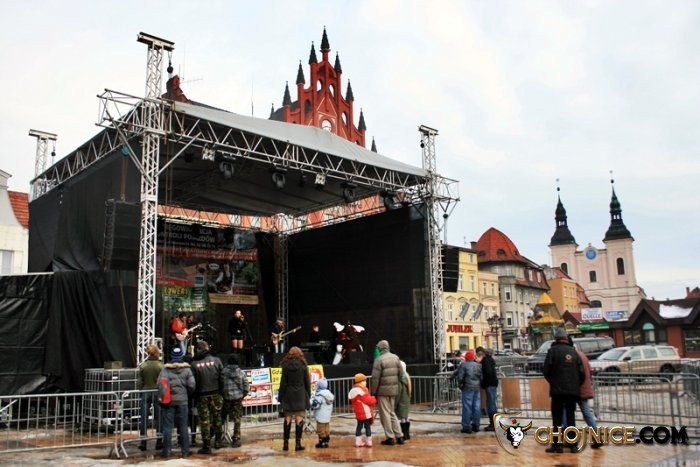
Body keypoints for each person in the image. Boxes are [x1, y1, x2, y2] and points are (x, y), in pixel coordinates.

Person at [542, 327, 585, 454]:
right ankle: (573, 445)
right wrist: (575, 384)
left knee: (557, 419)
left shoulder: (552, 351)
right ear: (566, 338)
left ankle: (557, 445)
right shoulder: (574, 352)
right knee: (571, 418)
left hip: (557, 391)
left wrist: (553, 381)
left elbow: (546, 370)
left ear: (556, 338)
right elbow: (582, 373)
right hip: (572, 391)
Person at [563, 336, 602, 449]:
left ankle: (569, 438)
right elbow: (589, 371)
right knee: (587, 413)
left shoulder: (571, 356)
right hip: (584, 388)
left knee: (566, 413)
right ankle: (597, 437)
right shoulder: (582, 355)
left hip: (574, 389)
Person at [159, 347, 196, 459]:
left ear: (171, 356)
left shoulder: (165, 370)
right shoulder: (187, 370)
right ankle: (185, 451)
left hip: (169, 401)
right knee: (183, 426)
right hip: (183, 401)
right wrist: (186, 393)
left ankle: (166, 452)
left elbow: (160, 384)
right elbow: (192, 385)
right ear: (181, 357)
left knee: (167, 427)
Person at [191, 340, 224, 454]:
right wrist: (221, 391)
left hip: (201, 395)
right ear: (207, 348)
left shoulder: (194, 364)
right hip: (216, 393)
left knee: (204, 420)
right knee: (217, 417)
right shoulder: (217, 361)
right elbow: (222, 377)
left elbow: (193, 382)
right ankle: (218, 441)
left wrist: (194, 395)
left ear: (198, 349)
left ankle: (207, 445)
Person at [369, 339, 404, 445]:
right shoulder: (395, 357)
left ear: (380, 348)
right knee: (392, 413)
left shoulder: (379, 360)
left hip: (382, 392)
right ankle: (399, 436)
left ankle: (390, 437)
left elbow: (375, 378)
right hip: (393, 390)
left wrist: (373, 392)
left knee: (385, 414)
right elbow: (401, 374)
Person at [278, 346, 311, 451]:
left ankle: (286, 444)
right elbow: (307, 382)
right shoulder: (303, 365)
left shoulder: (285, 366)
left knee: (287, 419)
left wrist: (280, 397)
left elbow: (283, 383)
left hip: (288, 394)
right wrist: (308, 395)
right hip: (300, 394)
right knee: (299, 419)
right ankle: (298, 444)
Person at [137, 344, 164, 452]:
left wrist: (141, 390)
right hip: (157, 392)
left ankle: (143, 442)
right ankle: (159, 441)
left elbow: (139, 382)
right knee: (159, 417)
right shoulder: (161, 366)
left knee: (143, 418)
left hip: (145, 392)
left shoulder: (143, 366)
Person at [221, 353, 249, 448]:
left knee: (221, 418)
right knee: (237, 419)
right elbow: (246, 386)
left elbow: (221, 384)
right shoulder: (241, 372)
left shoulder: (223, 372)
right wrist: (243, 395)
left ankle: (217, 437)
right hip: (237, 399)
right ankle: (236, 439)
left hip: (226, 399)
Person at [456, 350, 482, 434]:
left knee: (467, 407)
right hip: (476, 388)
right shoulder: (478, 366)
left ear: (466, 358)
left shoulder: (463, 365)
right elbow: (481, 377)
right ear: (473, 357)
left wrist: (461, 386)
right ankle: (476, 425)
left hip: (467, 388)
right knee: (476, 406)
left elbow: (460, 377)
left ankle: (466, 426)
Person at [349, 373, 377, 447]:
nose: (366, 383)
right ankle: (369, 441)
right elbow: (369, 401)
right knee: (367, 427)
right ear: (360, 382)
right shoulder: (362, 391)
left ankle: (358, 442)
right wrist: (374, 399)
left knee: (359, 426)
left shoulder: (353, 391)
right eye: (364, 381)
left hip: (358, 413)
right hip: (365, 413)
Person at [476, 346, 498, 431]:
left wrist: (483, 384)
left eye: (477, 356)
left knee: (491, 404)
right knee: (491, 404)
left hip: (490, 385)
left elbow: (488, 374)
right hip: (492, 384)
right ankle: (494, 423)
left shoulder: (486, 362)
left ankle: (493, 424)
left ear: (480, 355)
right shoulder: (488, 360)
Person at [310, 378, 334, 448]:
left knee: (320, 429)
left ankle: (322, 442)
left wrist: (311, 400)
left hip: (320, 416)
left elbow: (315, 405)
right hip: (327, 416)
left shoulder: (320, 395)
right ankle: (326, 441)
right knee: (326, 428)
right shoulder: (329, 395)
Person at [395, 360, 412, 441]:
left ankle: (404, 434)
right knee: (406, 417)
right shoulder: (407, 376)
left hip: (401, 402)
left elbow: (399, 392)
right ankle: (407, 434)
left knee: (402, 419)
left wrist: (395, 403)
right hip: (406, 401)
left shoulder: (400, 379)